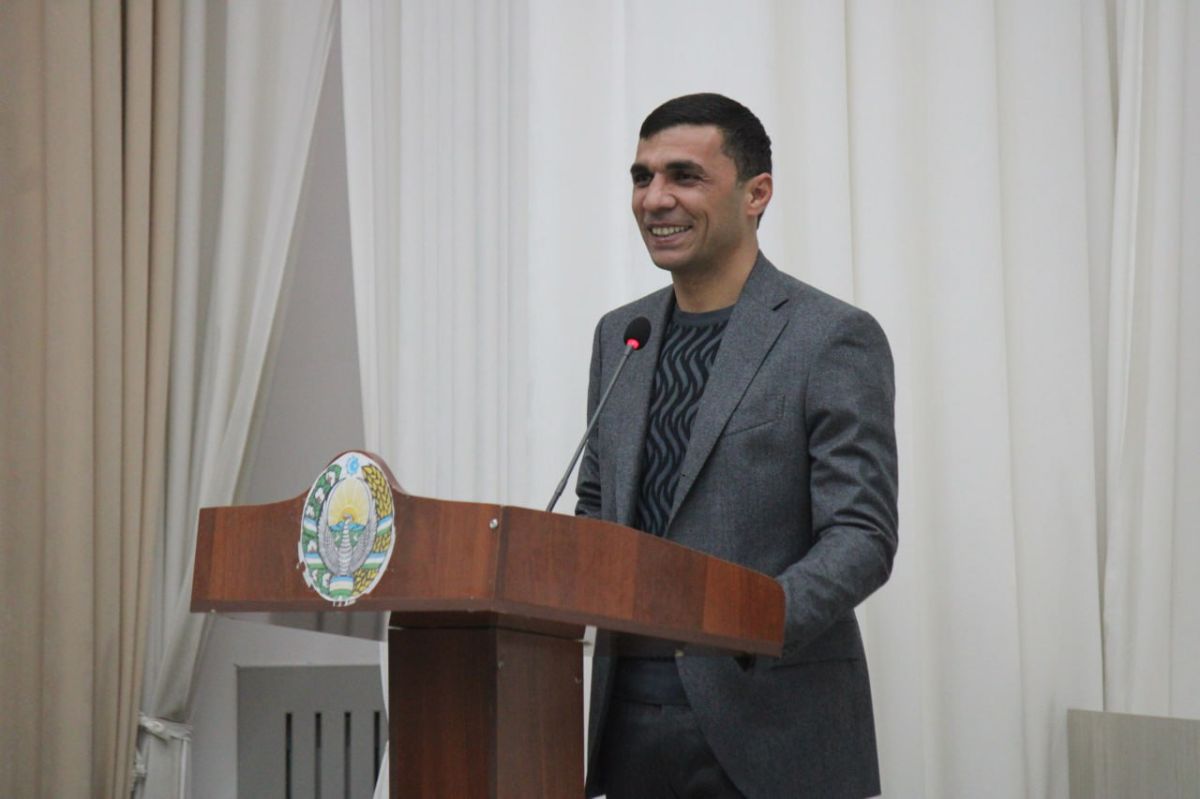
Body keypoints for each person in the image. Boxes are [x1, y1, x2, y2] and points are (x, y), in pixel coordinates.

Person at [575, 93, 899, 798]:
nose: (654, 199)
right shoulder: (622, 336)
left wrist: (748, 621)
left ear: (757, 194)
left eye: (684, 176)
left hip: (773, 721)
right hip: (626, 721)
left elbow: (862, 535)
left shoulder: (830, 336)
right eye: (642, 177)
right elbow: (597, 507)